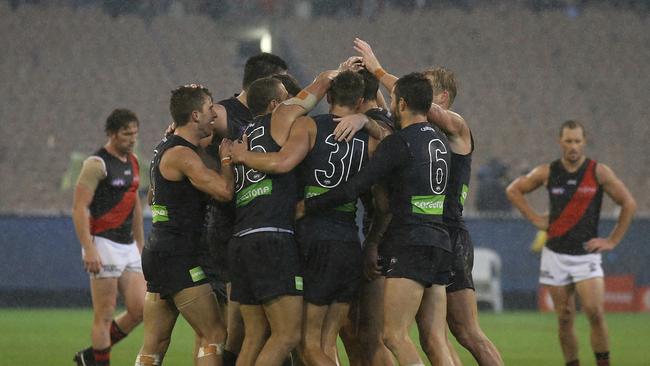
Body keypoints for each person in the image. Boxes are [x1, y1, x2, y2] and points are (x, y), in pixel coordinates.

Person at [231, 70, 388, 366]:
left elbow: (283, 162)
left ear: (328, 97)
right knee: (328, 342)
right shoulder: (371, 140)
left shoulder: (308, 126)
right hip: (349, 241)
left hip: (314, 240)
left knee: (307, 344)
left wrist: (243, 156)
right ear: (359, 101)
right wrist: (369, 122)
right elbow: (385, 191)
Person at [299, 73, 455, 366]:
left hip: (410, 242)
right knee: (435, 338)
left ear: (403, 103)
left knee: (393, 336)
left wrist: (308, 205)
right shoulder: (440, 139)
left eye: (394, 100)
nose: (389, 105)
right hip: (440, 241)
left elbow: (355, 188)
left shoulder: (398, 143)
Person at [506, 120, 636, 366]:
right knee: (564, 317)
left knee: (595, 313)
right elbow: (514, 190)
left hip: (586, 255)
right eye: (568, 141)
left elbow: (628, 203)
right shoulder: (548, 171)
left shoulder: (599, 172)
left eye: (577, 141)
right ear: (560, 142)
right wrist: (535, 218)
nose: (573, 146)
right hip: (555, 254)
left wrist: (612, 240)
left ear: (584, 142)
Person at [200, 52, 289, 366]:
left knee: (259, 329)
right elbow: (203, 122)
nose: (288, 93)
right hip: (233, 229)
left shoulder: (275, 116)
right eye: (283, 84)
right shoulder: (226, 112)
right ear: (265, 84)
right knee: (243, 328)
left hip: (256, 229)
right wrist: (186, 121)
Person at [135, 84, 234, 366]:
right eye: (209, 109)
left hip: (159, 250)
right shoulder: (183, 155)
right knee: (214, 333)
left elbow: (154, 195)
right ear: (194, 115)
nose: (214, 114)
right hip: (179, 255)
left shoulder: (163, 149)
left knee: (154, 343)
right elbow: (224, 192)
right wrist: (227, 158)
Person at [72, 108, 146, 366]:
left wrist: (141, 244)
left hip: (127, 246)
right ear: (112, 134)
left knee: (140, 309)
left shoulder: (134, 162)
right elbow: (79, 207)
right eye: (127, 134)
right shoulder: (96, 164)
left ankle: (90, 356)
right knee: (104, 315)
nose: (132, 138)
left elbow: (135, 204)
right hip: (102, 243)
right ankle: (99, 360)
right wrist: (89, 249)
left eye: (135, 133)